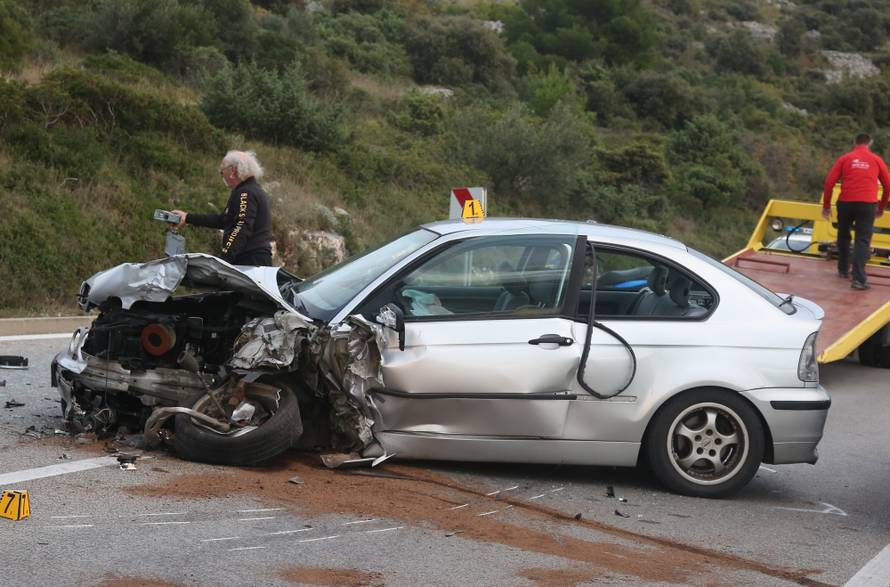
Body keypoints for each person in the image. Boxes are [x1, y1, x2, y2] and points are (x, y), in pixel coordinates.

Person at [173, 150, 274, 266]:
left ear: (233, 171)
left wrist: (225, 258)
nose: (221, 175)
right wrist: (187, 217)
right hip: (255, 259)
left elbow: (241, 226)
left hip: (250, 261)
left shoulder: (245, 193)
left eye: (222, 171)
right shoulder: (251, 190)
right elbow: (224, 220)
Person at [821, 133, 889, 290]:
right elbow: (888, 185)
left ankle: (843, 269)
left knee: (843, 234)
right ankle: (858, 279)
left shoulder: (845, 159)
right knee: (862, 240)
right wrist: (881, 206)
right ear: (869, 143)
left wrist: (826, 206)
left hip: (845, 202)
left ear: (854, 142)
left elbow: (829, 182)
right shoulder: (876, 160)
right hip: (867, 204)